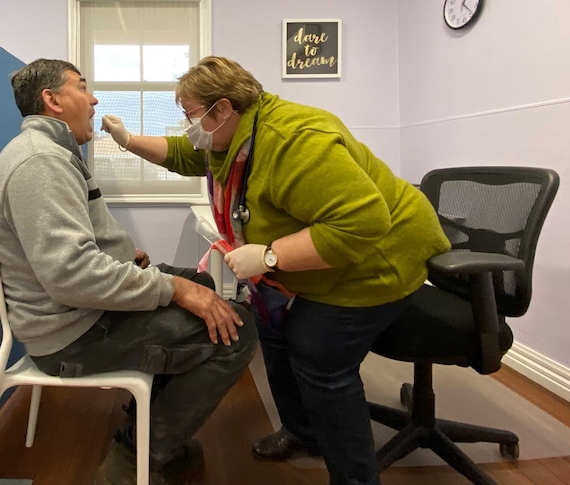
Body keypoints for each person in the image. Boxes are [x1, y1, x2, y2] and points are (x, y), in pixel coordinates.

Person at [101, 56, 451, 485]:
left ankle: (355, 478)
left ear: (223, 108)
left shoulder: (294, 139)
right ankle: (304, 433)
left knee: (318, 354)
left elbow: (362, 223)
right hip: (330, 256)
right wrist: (127, 140)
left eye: (191, 113)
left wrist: (269, 256)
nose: (187, 124)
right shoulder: (232, 139)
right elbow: (182, 154)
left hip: (380, 255)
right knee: (272, 330)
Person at [0, 58, 258, 485]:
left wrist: (140, 269)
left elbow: (77, 252)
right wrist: (172, 289)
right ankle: (133, 460)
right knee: (236, 333)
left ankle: (148, 428)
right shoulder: (40, 165)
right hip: (74, 334)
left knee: (204, 285)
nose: (94, 100)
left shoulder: (52, 155)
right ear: (52, 100)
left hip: (76, 313)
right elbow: (72, 275)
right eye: (82, 88)